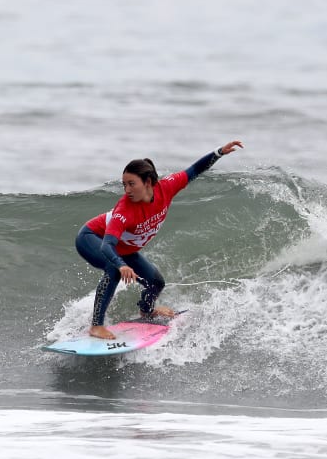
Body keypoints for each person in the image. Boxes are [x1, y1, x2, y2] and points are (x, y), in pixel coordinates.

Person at [75, 140, 244, 339]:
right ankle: (96, 326)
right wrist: (121, 265)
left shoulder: (167, 188)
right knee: (113, 269)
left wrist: (219, 152)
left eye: (131, 184)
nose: (126, 190)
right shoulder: (124, 211)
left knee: (156, 282)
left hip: (124, 249)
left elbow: (194, 170)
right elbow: (107, 245)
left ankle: (146, 312)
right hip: (91, 238)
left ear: (148, 182)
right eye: (124, 185)